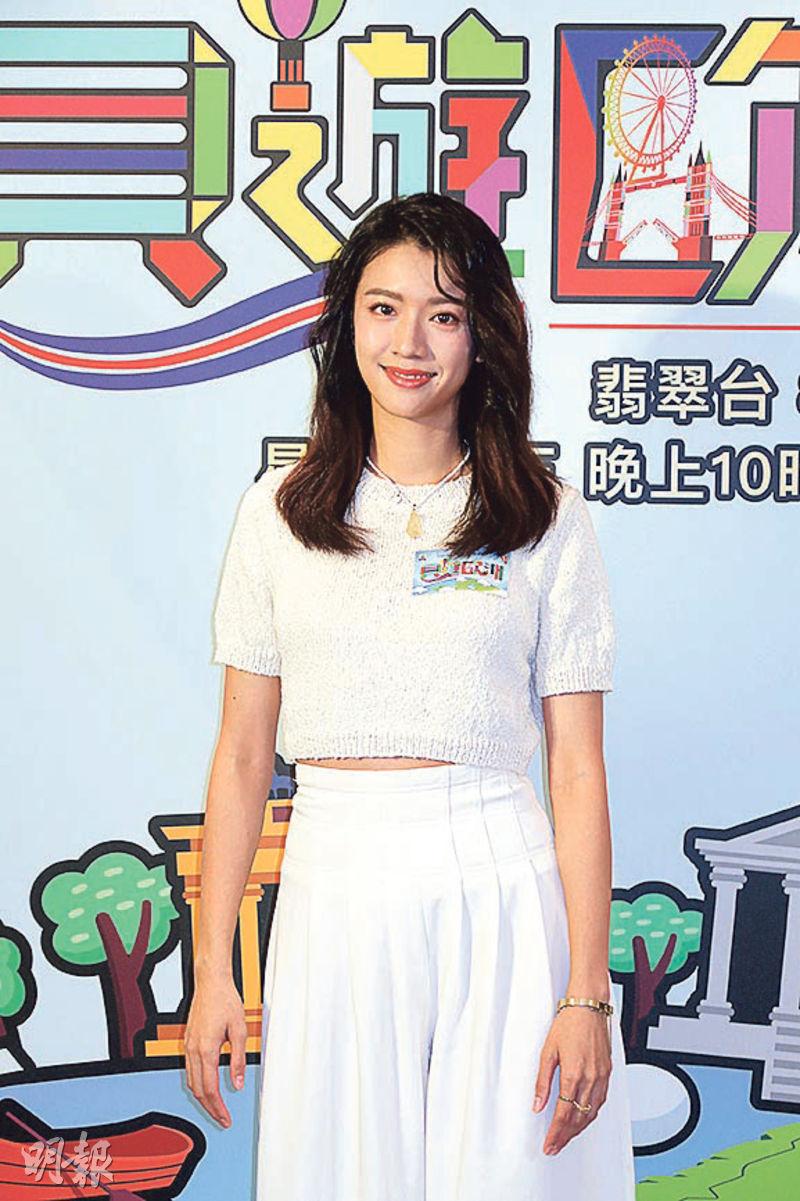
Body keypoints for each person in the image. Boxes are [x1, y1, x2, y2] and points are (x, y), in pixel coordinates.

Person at [186, 191, 636, 1200]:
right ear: (345, 324)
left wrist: (587, 993)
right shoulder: (276, 515)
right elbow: (244, 756)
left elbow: (575, 767)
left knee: (515, 1176)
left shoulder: (546, 517)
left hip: (502, 883)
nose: (409, 342)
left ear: (484, 334)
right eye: (383, 308)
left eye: (443, 314)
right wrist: (215, 972)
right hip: (333, 888)